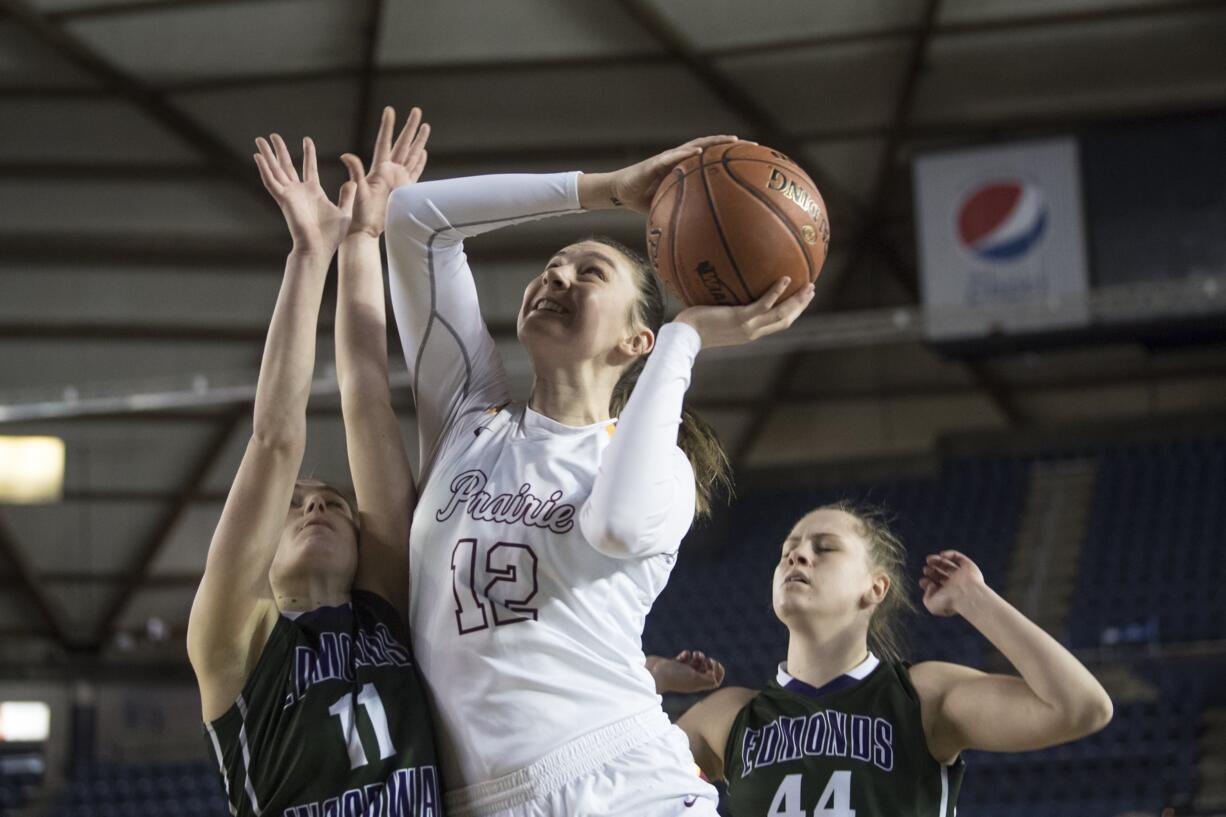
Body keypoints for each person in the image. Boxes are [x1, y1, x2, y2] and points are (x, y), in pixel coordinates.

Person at [382, 137, 816, 817]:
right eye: (552, 266)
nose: (557, 277)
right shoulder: (467, 419)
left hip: (623, 783)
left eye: (589, 272)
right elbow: (413, 216)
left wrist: (686, 336)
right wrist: (606, 187)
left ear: (635, 342)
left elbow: (613, 524)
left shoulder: (658, 469)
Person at [187, 108, 443, 817]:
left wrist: (364, 239)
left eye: (331, 501)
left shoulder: (384, 605)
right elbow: (275, 438)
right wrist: (310, 254)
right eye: (298, 505)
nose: (319, 505)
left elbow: (367, 402)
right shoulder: (236, 639)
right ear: (258, 555)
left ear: (367, 544)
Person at [656, 501, 1114, 817]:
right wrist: (651, 677)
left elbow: (1081, 707)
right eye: (788, 550)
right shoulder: (726, 716)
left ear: (875, 588)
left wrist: (976, 599)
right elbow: (614, 784)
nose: (798, 554)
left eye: (825, 547)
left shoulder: (922, 697)